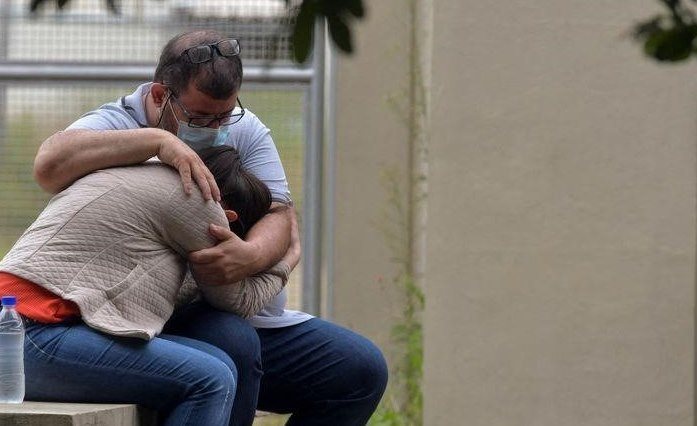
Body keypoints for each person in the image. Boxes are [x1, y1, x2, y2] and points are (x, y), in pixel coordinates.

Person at [30, 29, 387, 425]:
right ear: (160, 96)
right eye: (200, 117)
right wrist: (155, 143)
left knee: (359, 370)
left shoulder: (245, 127)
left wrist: (249, 256)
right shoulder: (114, 123)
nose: (217, 128)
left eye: (225, 115)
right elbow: (49, 165)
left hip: (231, 303)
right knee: (229, 344)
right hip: (139, 314)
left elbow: (280, 215)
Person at [0, 145, 298, 424]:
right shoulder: (200, 203)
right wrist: (285, 262)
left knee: (221, 359)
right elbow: (237, 301)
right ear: (229, 218)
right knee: (211, 380)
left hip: (32, 328)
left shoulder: (136, 172)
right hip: (26, 337)